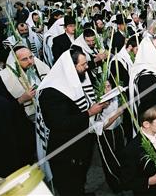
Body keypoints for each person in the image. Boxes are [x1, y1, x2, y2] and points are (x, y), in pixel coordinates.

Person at [37, 48, 109, 195]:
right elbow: (59, 124)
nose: (87, 67)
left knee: (79, 180)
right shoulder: (52, 92)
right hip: (65, 152)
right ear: (71, 68)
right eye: (82, 65)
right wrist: (90, 112)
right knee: (70, 187)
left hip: (80, 146)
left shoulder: (74, 79)